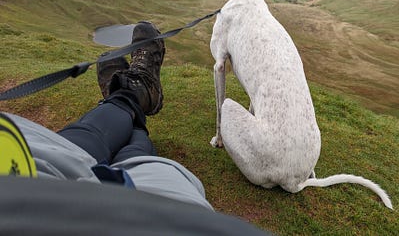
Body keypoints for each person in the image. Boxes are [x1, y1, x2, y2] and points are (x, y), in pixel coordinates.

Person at [0, 21, 269, 235]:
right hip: (146, 211)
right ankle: (135, 92)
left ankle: (127, 95)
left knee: (80, 141)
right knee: (134, 158)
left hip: (27, 172)